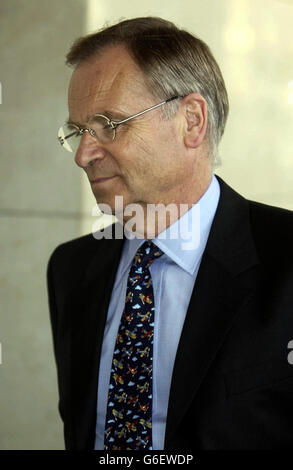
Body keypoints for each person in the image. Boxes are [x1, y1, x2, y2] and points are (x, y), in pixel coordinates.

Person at [47, 17, 293, 451]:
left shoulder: (286, 255)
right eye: (80, 131)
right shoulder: (71, 268)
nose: (83, 154)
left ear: (191, 121)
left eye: (108, 124)